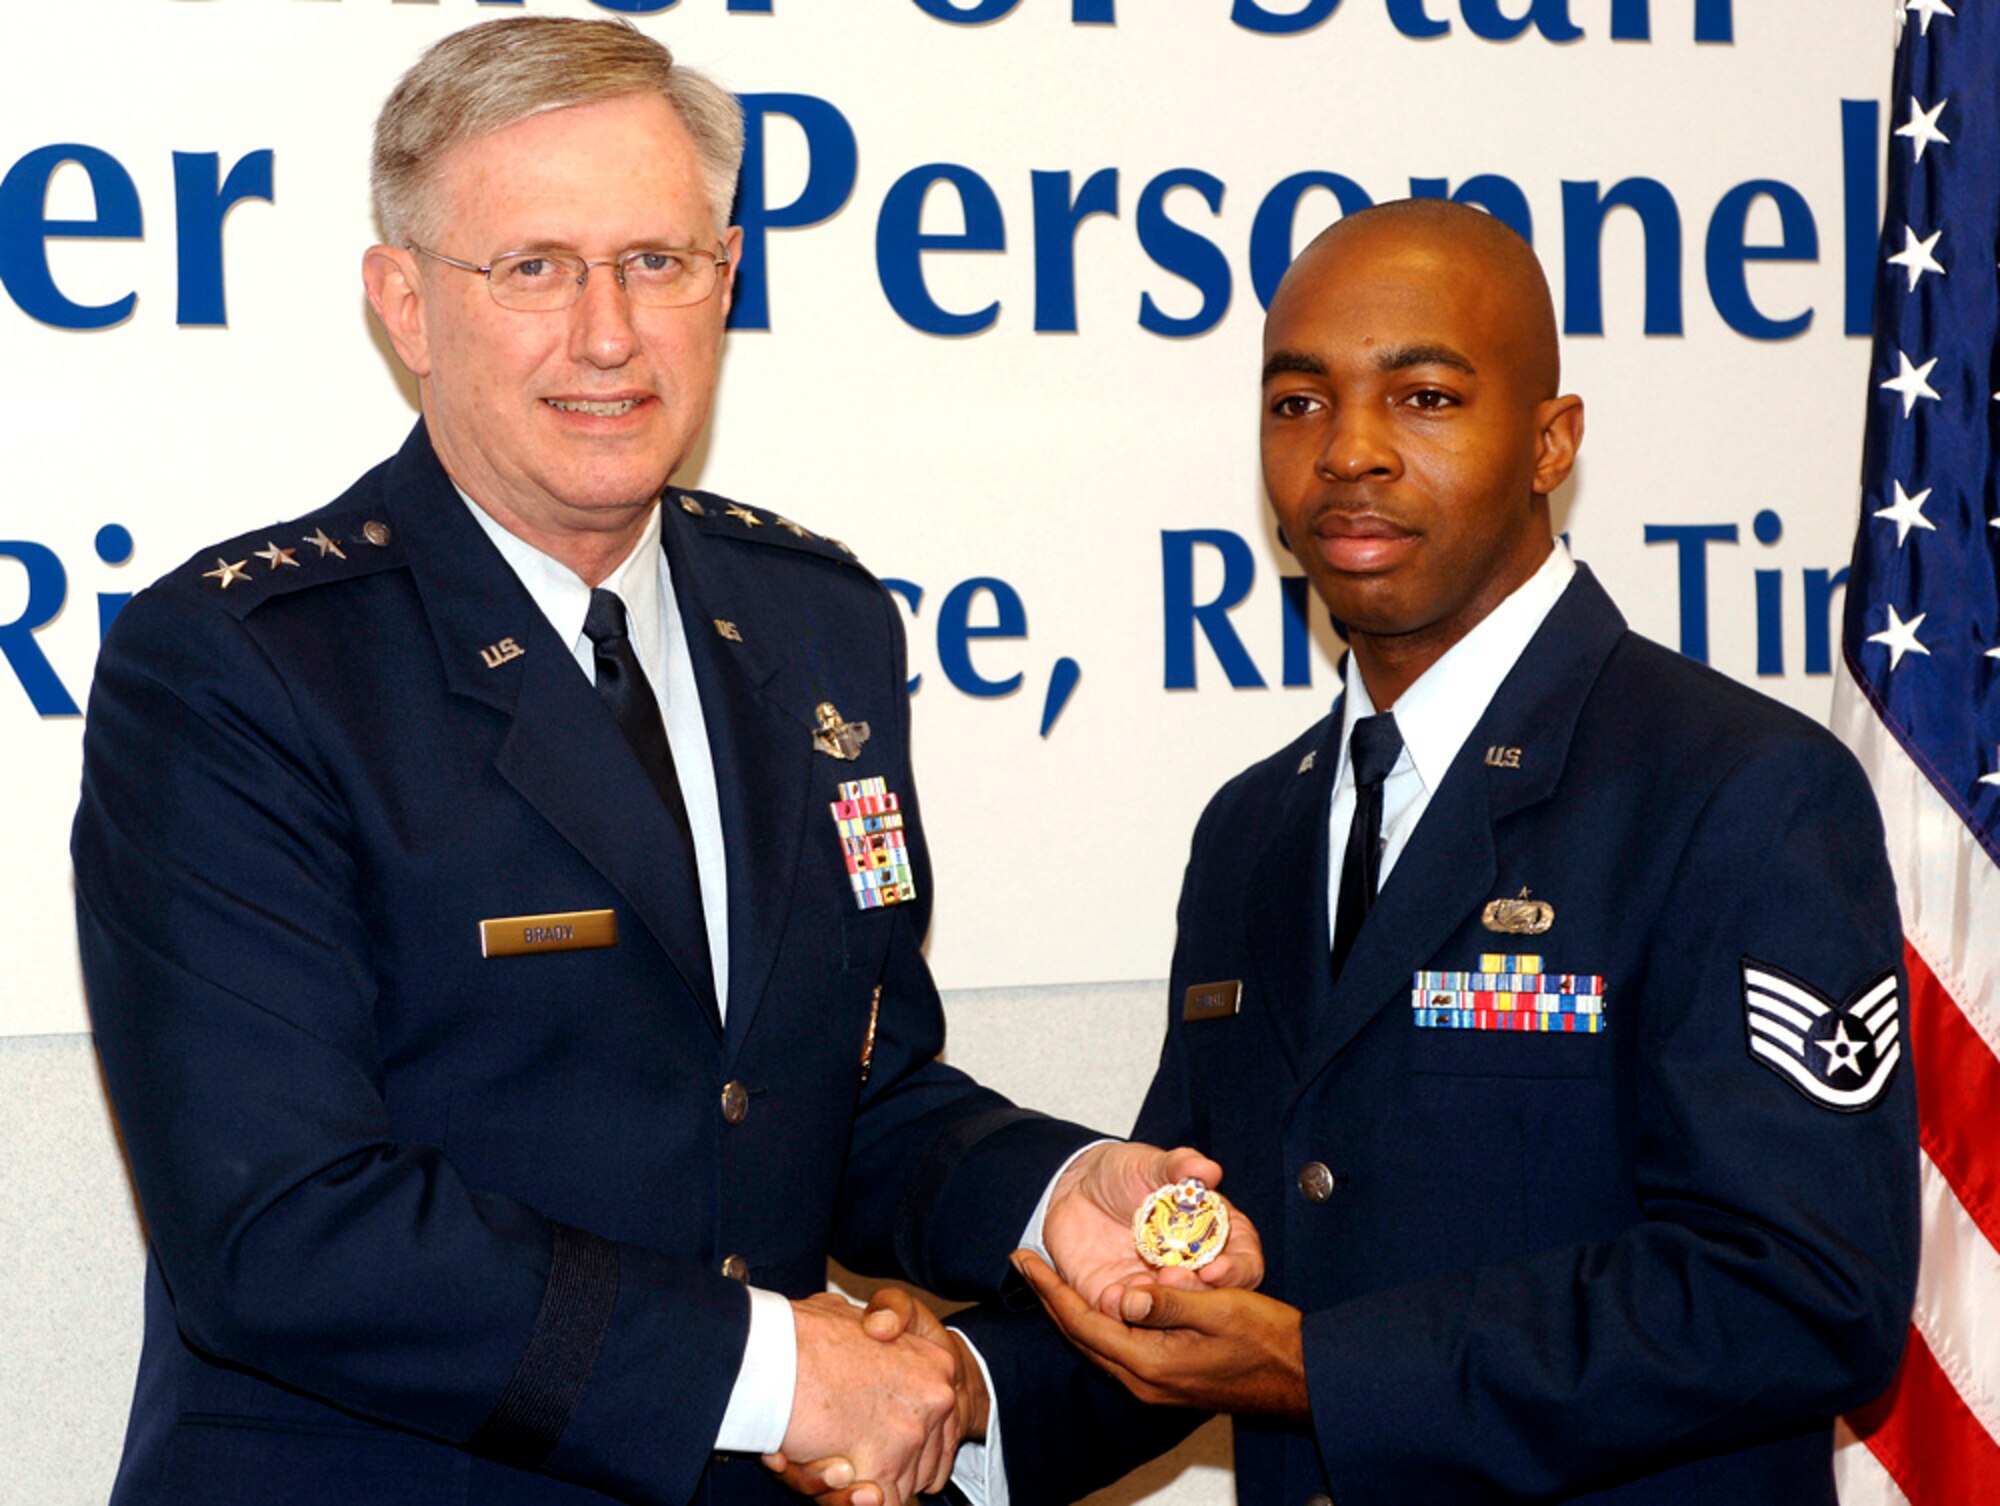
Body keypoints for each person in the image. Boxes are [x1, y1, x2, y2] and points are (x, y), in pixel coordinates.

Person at [70, 18, 1257, 1506]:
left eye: (656, 260)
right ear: (405, 306)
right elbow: (282, 1230)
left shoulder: (820, 626)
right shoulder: (246, 667)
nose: (608, 333)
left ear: (727, 279)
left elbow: (849, 1092)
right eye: (534, 268)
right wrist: (783, 1369)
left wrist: (1052, 1193)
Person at [861, 199, 1916, 1505]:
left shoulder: (1736, 789)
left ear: (1550, 441)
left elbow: (1805, 1295)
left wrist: (1326, 1369)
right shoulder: (1255, 829)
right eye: (1298, 404)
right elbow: (1198, 1275)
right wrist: (961, 1396)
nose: (1349, 452)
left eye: (1422, 396)